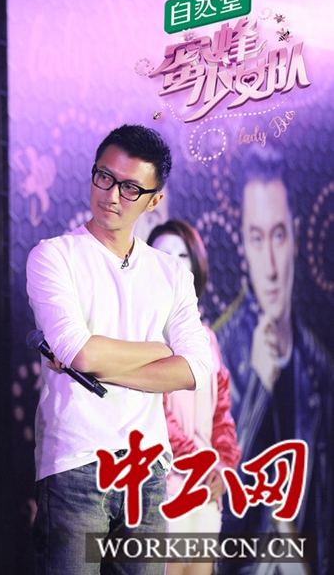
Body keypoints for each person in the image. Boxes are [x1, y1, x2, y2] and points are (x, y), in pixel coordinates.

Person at [25, 124, 212, 574]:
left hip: (147, 469)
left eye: (130, 188)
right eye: (104, 177)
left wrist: (93, 364)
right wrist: (158, 348)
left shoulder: (170, 272)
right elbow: (82, 353)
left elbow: (195, 368)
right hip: (75, 461)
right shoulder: (54, 256)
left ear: (154, 200)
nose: (111, 195)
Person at [214, 147, 332, 575]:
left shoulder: (318, 367)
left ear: (296, 238)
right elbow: (213, 513)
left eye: (278, 236)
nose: (269, 268)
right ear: (244, 245)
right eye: (256, 238)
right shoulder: (220, 353)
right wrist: (257, 392)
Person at [147, 219, 242, 575]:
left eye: (182, 255)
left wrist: (224, 468)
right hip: (161, 488)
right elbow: (155, 412)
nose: (173, 263)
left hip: (205, 489)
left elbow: (222, 414)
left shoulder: (206, 338)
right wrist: (201, 462)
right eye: (163, 255)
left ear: (196, 265)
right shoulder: (144, 335)